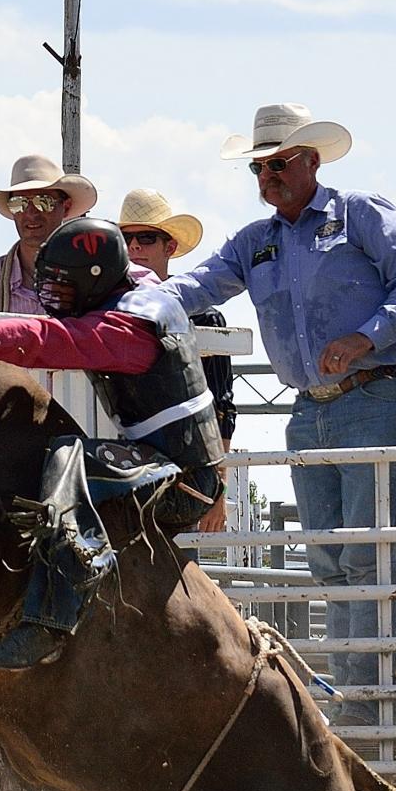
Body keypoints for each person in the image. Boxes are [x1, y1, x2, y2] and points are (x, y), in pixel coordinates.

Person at [158, 103, 396, 724]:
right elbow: (196, 286)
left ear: (312, 161)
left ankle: (366, 705)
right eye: (260, 167)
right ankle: (359, 701)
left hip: (374, 394)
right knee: (331, 559)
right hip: (312, 408)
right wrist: (131, 295)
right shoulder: (257, 242)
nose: (268, 177)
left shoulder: (358, 215)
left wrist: (365, 337)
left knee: (364, 555)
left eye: (279, 163)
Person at [0, 217, 224, 533]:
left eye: (65, 285)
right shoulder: (144, 301)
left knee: (66, 460)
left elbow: (40, 337)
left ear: (95, 278)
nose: (55, 294)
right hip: (181, 471)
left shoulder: (121, 329)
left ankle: (73, 570)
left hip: (179, 483)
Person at [119, 188, 237, 536]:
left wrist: (218, 490)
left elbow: (221, 409)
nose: (135, 247)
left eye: (146, 237)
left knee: (181, 575)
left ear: (169, 247)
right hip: (125, 464)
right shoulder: (110, 310)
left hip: (183, 469)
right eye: (126, 238)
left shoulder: (204, 316)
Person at [0, 155, 97, 314]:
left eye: (43, 202)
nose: (31, 213)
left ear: (65, 207)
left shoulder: (91, 275)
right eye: (19, 203)